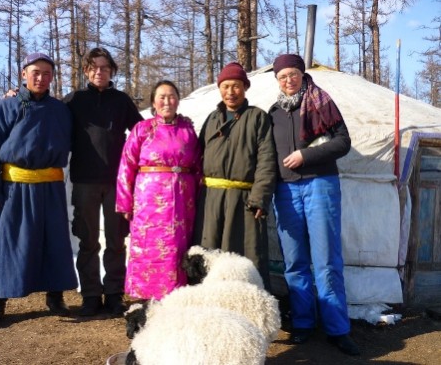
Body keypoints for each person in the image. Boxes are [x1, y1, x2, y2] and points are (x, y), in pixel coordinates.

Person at [0, 52, 78, 328]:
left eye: (47, 73)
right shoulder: (6, 107)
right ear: (24, 74)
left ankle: (55, 296)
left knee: (53, 242)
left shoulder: (61, 110)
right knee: (7, 243)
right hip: (15, 189)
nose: (41, 78)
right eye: (36, 72)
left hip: (50, 188)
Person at [268, 53, 360, 356]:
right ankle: (304, 324)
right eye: (282, 77)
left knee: (326, 260)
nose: (288, 80)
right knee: (294, 262)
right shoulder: (273, 113)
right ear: (277, 81)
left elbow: (343, 142)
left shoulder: (322, 102)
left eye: (293, 74)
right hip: (286, 190)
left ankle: (337, 328)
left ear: (302, 75)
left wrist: (306, 156)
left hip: (321, 184)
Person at [63, 48, 143, 316]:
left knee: (116, 239)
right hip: (84, 180)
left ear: (111, 71)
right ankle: (90, 295)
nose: (100, 72)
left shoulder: (121, 100)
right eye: (94, 67)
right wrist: (20, 101)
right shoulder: (74, 99)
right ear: (86, 70)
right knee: (87, 240)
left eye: (105, 67)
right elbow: (46, 115)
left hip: (117, 182)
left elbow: (141, 131)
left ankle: (113, 293)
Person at [192, 62, 276, 293]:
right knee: (208, 253)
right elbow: (197, 157)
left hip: (244, 200)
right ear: (219, 89)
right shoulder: (211, 119)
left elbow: (267, 160)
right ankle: (208, 306)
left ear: (245, 88)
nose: (231, 92)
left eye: (236, 86)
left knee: (245, 255)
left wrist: (260, 197)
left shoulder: (257, 117)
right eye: (226, 86)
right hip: (211, 199)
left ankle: (249, 306)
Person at [116, 80, 202, 301]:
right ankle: (146, 296)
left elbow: (198, 165)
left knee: (177, 248)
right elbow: (127, 165)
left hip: (183, 200)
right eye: (162, 97)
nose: (167, 101)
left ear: (178, 100)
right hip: (149, 200)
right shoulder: (142, 129)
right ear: (153, 102)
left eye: (171, 96)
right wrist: (125, 202)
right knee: (148, 246)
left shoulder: (188, 130)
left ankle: (176, 296)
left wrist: (201, 196)